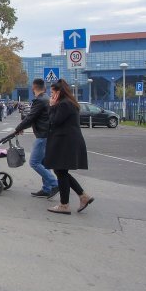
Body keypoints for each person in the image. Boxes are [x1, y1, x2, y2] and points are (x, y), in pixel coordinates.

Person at [43, 80, 93, 215]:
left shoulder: (64, 104)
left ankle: (64, 205)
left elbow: (54, 121)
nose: (51, 95)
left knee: (60, 171)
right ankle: (83, 196)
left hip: (65, 142)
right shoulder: (69, 103)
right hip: (67, 141)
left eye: (53, 92)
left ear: (59, 92)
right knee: (61, 171)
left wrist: (52, 106)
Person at [14, 78, 59, 199]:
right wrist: (22, 127)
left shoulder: (39, 101)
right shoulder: (45, 99)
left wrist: (17, 128)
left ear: (33, 87)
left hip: (43, 135)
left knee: (34, 162)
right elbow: (35, 118)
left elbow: (30, 117)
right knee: (43, 162)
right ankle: (47, 188)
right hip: (46, 134)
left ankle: (54, 184)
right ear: (43, 87)